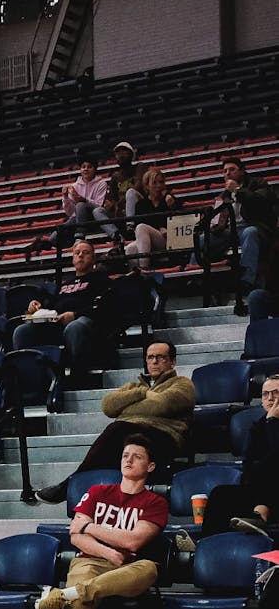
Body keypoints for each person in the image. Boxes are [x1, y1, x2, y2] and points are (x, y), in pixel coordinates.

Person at [34, 435, 167, 609]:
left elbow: (133, 542)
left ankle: (63, 595)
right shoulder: (97, 492)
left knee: (149, 568)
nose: (128, 460)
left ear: (151, 466)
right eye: (125, 455)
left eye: (137, 456)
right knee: (80, 608)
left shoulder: (155, 502)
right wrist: (109, 552)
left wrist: (91, 526)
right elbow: (75, 535)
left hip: (129, 569)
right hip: (92, 562)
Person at [36, 340, 194, 504]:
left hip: (164, 437)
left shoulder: (182, 384)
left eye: (161, 357)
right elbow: (108, 406)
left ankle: (69, 486)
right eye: (150, 357)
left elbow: (162, 405)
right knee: (116, 439)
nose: (154, 361)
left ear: (172, 362)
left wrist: (127, 407)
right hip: (126, 436)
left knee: (117, 429)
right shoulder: (134, 386)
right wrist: (142, 393)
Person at [11, 240, 110, 379]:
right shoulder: (65, 283)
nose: (80, 255)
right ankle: (28, 380)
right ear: (73, 258)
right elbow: (51, 307)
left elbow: (104, 308)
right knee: (22, 331)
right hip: (57, 325)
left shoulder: (101, 280)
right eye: (77, 253)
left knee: (75, 327)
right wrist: (36, 308)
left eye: (85, 253)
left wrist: (75, 315)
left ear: (93, 258)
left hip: (85, 324)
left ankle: (78, 378)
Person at [203, 374, 279, 537]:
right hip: (264, 490)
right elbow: (249, 464)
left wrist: (273, 422)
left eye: (276, 392)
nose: (270, 398)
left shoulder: (268, 422)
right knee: (221, 494)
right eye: (265, 394)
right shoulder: (259, 425)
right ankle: (205, 545)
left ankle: (260, 514)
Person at [196, 156, 276, 289]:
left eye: (232, 169)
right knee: (202, 239)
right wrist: (214, 224)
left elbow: (260, 203)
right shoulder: (224, 195)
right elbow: (218, 218)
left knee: (250, 232)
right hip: (231, 231)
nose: (227, 173)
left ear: (242, 171)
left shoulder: (258, 183)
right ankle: (195, 277)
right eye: (225, 171)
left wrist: (238, 191)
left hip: (254, 227)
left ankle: (248, 279)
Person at [25, 157, 116, 254]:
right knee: (61, 229)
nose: (86, 169)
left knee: (81, 205)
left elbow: (98, 205)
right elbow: (70, 212)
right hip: (78, 218)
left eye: (89, 167)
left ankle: (79, 236)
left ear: (95, 169)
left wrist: (83, 199)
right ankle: (44, 244)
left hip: (94, 216)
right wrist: (65, 197)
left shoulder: (101, 184)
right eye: (83, 167)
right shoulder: (75, 186)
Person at [123, 167, 178, 271]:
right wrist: (159, 227)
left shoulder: (169, 200)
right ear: (147, 186)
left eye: (161, 182)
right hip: (147, 240)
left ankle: (144, 269)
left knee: (141, 227)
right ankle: (137, 277)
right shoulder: (141, 204)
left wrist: (172, 207)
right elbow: (140, 229)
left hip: (168, 239)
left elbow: (182, 219)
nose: (158, 186)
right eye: (154, 183)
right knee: (130, 249)